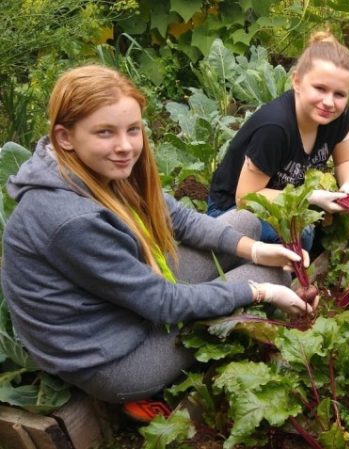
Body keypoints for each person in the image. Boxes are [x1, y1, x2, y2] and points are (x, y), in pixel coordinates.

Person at [0, 65, 318, 419]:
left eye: (132, 130)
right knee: (271, 277)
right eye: (105, 132)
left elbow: (179, 219)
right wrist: (261, 292)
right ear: (65, 137)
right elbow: (164, 303)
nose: (124, 147)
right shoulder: (70, 218)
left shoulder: (98, 168)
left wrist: (256, 249)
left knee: (244, 224)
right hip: (112, 359)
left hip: (125, 307)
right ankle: (140, 394)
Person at [207, 31, 349, 252]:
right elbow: (246, 198)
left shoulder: (338, 116)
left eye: (339, 94)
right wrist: (311, 196)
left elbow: (345, 161)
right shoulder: (275, 128)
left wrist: (347, 189)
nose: (329, 102)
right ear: (297, 82)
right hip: (232, 213)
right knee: (301, 232)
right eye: (320, 88)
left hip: (288, 198)